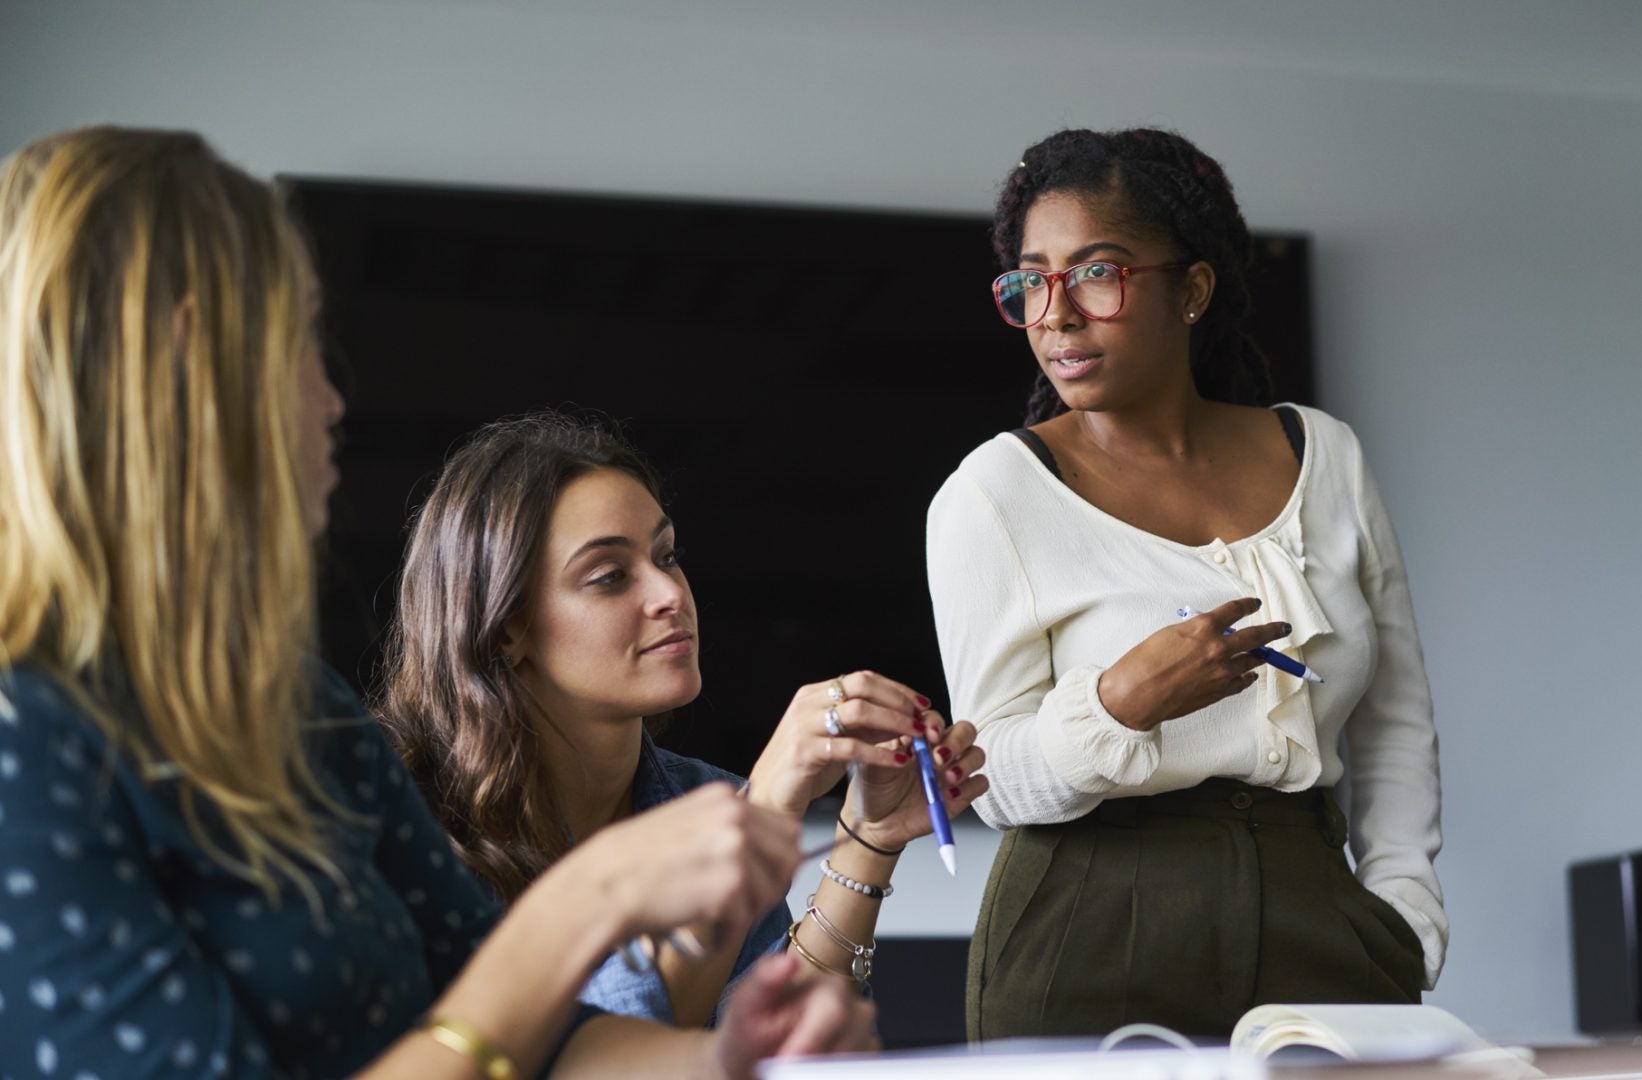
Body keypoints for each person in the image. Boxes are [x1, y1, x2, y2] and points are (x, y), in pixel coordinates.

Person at [0, 125, 873, 1080]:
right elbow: (503, 1006)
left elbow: (530, 1040)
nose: (331, 398)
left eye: (665, 558)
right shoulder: (27, 737)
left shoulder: (308, 715)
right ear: (189, 360)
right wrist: (587, 902)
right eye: (297, 340)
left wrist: (727, 1060)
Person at [926, 127, 1446, 1040]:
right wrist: (1118, 705)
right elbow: (991, 783)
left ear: (1193, 288)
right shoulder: (992, 496)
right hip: (1087, 929)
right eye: (1031, 280)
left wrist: (1405, 907)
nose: (1056, 314)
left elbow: (1395, 715)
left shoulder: (1325, 454)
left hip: (1320, 918)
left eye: (1096, 272)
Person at [375, 412, 986, 1028]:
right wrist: (764, 812)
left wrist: (866, 839)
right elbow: (591, 1057)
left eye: (666, 556)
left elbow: (770, 1049)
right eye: (610, 577)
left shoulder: (704, 799)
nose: (670, 593)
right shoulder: (402, 819)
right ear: (508, 629)